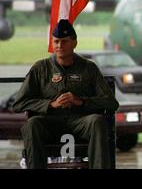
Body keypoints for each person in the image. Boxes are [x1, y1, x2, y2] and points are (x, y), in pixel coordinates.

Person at [13, 19, 119, 169]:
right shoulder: (40, 68)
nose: (59, 46)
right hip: (50, 123)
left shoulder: (89, 68)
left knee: (97, 121)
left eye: (64, 41)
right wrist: (50, 104)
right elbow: (18, 103)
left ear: (74, 43)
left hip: (80, 122)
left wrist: (81, 101)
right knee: (32, 124)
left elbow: (111, 103)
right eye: (56, 42)